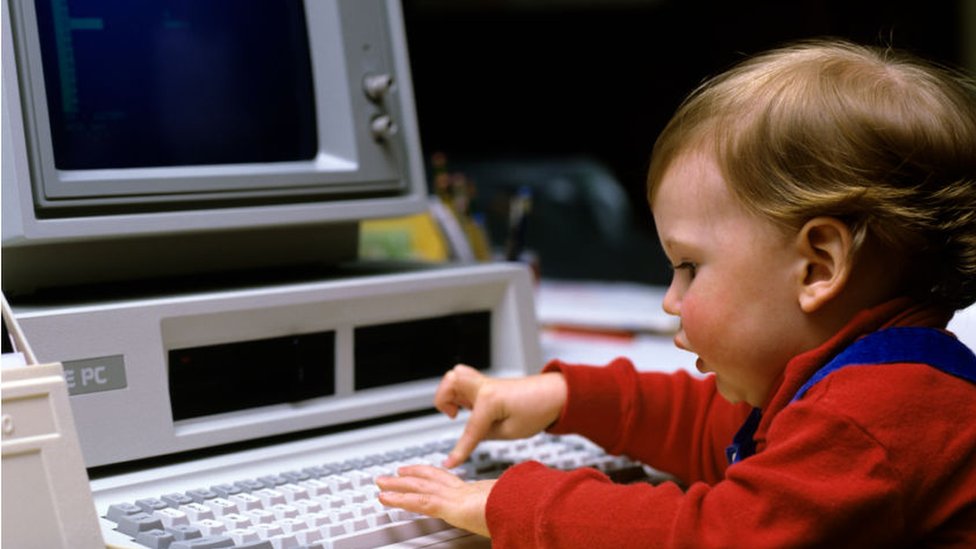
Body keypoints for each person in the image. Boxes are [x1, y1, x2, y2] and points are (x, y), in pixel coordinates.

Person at [376, 39, 976, 546]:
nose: (671, 298)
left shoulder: (871, 420)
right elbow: (710, 426)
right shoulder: (862, 382)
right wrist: (564, 396)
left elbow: (708, 536)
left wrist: (507, 503)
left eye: (689, 266)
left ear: (818, 266)